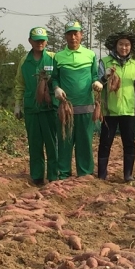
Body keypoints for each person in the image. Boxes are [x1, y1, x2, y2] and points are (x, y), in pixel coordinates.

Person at [51, 21, 100, 179]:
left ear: (81, 35)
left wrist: (96, 83)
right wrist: (56, 88)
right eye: (70, 34)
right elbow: (54, 79)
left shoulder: (90, 54)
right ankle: (63, 173)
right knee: (65, 141)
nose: (73, 37)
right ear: (65, 36)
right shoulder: (58, 57)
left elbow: (94, 75)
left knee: (85, 142)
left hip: (86, 107)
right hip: (66, 108)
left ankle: (85, 173)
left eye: (76, 33)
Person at [97, 30, 135, 182]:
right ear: (115, 45)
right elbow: (98, 83)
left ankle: (128, 175)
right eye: (121, 44)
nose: (124, 48)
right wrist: (105, 76)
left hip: (129, 110)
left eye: (127, 45)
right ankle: (102, 174)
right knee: (105, 142)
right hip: (110, 110)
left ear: (130, 47)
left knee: (129, 143)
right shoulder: (104, 62)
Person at [14, 27, 58, 185]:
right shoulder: (24, 61)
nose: (39, 43)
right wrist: (18, 105)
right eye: (36, 40)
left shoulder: (53, 58)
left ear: (46, 41)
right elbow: (19, 83)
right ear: (30, 41)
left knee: (52, 142)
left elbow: (60, 79)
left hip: (50, 108)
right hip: (32, 108)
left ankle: (54, 175)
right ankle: (37, 175)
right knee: (35, 143)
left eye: (42, 40)